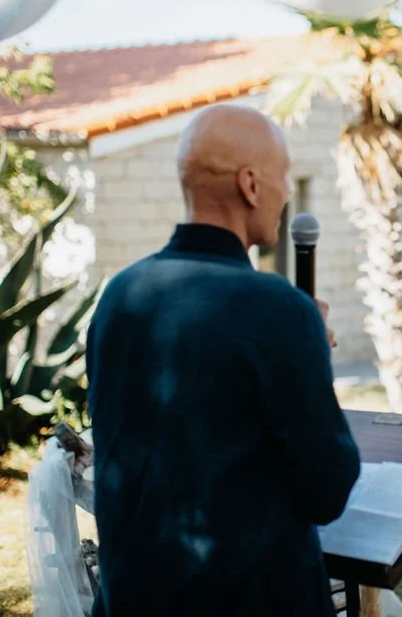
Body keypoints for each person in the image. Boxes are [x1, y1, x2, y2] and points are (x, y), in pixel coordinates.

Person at [86, 105, 361, 616]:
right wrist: (312, 355)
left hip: (135, 595)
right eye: (283, 178)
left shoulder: (120, 296)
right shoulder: (278, 309)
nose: (284, 196)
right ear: (251, 185)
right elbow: (326, 489)